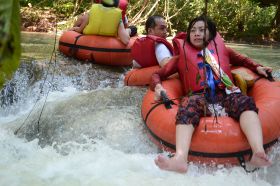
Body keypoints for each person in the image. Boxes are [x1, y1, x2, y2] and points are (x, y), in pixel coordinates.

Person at [151, 15, 273, 173]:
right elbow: (157, 75)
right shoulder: (182, 57)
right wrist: (158, 86)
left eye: (202, 30)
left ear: (212, 33)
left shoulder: (223, 50)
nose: (196, 33)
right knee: (188, 105)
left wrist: (258, 67)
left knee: (243, 102)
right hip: (199, 97)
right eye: (193, 30)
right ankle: (180, 158)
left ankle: (258, 152)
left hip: (226, 93)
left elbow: (243, 60)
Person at [69, 0, 137, 45]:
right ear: (116, 5)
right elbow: (125, 41)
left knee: (81, 18)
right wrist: (127, 31)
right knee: (133, 28)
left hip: (88, 38)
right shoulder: (118, 17)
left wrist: (73, 29)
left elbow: (80, 29)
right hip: (108, 42)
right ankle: (129, 30)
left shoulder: (92, 11)